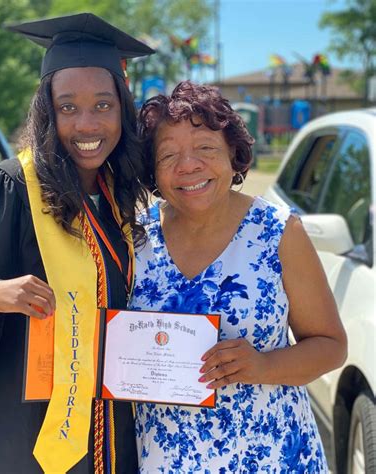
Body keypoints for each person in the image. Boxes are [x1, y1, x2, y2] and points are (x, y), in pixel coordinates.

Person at [0, 13, 154, 474]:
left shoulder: (118, 197)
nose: (86, 124)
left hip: (105, 428)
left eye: (102, 105)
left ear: (123, 109)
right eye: (68, 107)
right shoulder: (10, 187)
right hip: (18, 431)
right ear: (47, 111)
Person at [129, 81, 347, 472]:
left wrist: (263, 366)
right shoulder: (135, 238)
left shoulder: (278, 233)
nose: (188, 166)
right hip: (164, 460)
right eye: (168, 156)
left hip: (269, 457)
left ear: (233, 154)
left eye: (206, 149)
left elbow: (331, 346)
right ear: (153, 171)